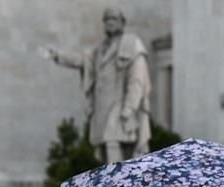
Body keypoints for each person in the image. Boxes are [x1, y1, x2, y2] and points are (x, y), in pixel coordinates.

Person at [45, 7, 152, 164]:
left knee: (116, 144)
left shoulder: (132, 44)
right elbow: (80, 60)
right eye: (107, 19)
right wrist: (57, 56)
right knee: (106, 147)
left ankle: (116, 183)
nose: (110, 22)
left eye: (114, 19)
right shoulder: (99, 49)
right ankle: (112, 183)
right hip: (102, 107)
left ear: (122, 22)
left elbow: (137, 80)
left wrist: (129, 108)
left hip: (121, 107)